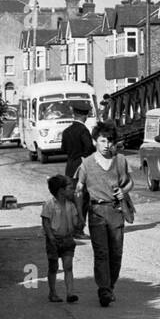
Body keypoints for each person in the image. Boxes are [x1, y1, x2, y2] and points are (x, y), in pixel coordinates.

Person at [74, 123, 133, 307]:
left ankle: (110, 286)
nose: (106, 145)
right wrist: (78, 215)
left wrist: (124, 191)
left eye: (110, 141)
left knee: (116, 253)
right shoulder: (86, 164)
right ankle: (103, 290)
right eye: (102, 141)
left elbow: (130, 182)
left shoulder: (120, 160)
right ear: (95, 142)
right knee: (101, 253)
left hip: (115, 211)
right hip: (96, 212)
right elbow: (79, 190)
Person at [41, 174, 81, 304]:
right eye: (70, 188)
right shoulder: (49, 205)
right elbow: (46, 222)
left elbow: (77, 223)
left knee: (68, 266)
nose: (73, 190)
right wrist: (51, 237)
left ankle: (70, 293)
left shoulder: (71, 205)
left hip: (68, 239)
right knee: (53, 267)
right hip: (54, 240)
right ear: (61, 191)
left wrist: (79, 209)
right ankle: (52, 293)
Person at [61, 104, 94, 240]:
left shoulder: (66, 131)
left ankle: (69, 228)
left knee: (70, 199)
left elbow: (63, 149)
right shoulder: (83, 130)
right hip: (81, 168)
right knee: (83, 200)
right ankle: (79, 230)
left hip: (69, 168)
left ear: (74, 114)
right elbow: (89, 149)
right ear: (85, 116)